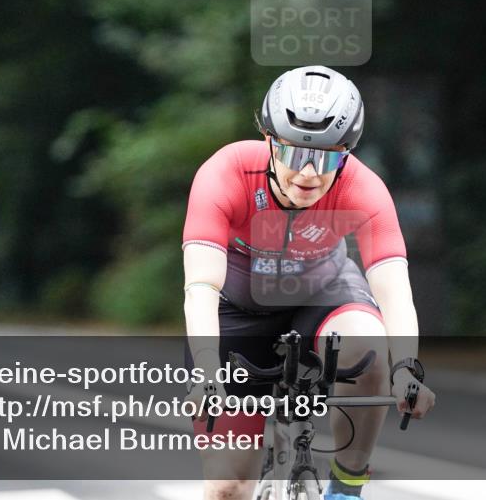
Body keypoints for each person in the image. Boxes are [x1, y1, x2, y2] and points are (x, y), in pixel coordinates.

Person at [182, 65, 435, 500]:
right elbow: (201, 287)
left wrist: (405, 369)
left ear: (347, 154)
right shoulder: (225, 174)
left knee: (370, 346)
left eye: (329, 156)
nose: (310, 173)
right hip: (237, 309)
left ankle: (346, 486)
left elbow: (394, 289)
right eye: (297, 153)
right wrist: (207, 367)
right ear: (269, 142)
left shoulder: (363, 188)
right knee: (227, 487)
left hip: (325, 293)